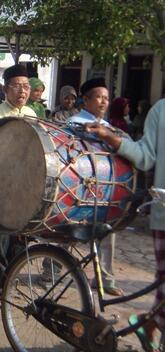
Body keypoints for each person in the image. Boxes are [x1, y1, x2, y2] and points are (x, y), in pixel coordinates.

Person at [86, 98, 165, 352]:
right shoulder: (160, 111)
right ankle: (150, 324)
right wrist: (110, 137)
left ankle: (150, 324)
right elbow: (144, 157)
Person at [0, 64, 37, 305]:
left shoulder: (32, 114)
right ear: (5, 89)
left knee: (18, 240)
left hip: (23, 189)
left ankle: (8, 280)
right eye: (17, 86)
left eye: (26, 86)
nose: (22, 91)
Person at [67, 77, 123, 296]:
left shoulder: (108, 128)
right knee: (65, 231)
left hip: (103, 185)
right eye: (99, 97)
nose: (103, 102)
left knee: (108, 230)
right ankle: (49, 271)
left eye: (107, 98)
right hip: (77, 184)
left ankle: (105, 278)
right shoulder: (75, 122)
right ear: (86, 100)